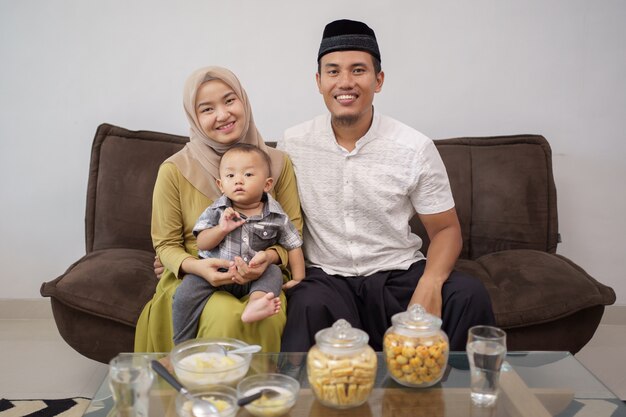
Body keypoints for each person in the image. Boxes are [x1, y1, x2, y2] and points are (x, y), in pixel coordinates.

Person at [277, 19, 496, 352]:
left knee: (468, 294)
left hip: (397, 272)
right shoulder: (292, 144)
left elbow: (446, 231)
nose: (345, 82)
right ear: (318, 81)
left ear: (378, 80)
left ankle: (455, 398)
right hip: (325, 274)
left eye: (358, 70)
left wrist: (431, 282)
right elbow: (262, 211)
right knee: (307, 305)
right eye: (333, 71)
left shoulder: (413, 147)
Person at [135, 66, 302, 353]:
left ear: (244, 102)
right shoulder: (174, 170)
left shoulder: (277, 163)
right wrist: (197, 266)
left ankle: (261, 395)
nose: (223, 115)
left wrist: (268, 258)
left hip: (260, 276)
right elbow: (165, 244)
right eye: (207, 109)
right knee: (223, 315)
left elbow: (293, 233)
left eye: (229, 100)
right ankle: (208, 391)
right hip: (196, 274)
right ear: (194, 117)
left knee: (266, 315)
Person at [172, 143, 305, 344]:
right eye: (230, 176)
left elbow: (293, 245)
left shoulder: (277, 217)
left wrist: (298, 278)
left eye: (248, 175)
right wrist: (221, 229)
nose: (239, 181)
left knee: (273, 273)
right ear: (220, 185)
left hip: (254, 275)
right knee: (184, 293)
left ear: (267, 184)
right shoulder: (217, 211)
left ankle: (255, 304)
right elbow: (202, 243)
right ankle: (181, 344)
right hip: (217, 273)